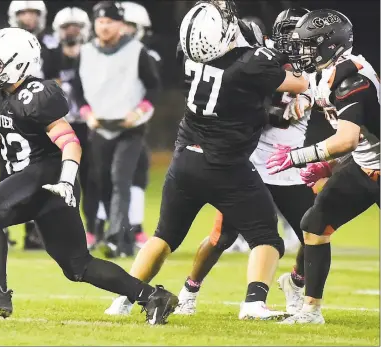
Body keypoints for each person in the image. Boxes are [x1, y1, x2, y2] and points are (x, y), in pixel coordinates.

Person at [0, 27, 178, 325]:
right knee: (77, 266)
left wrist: (67, 179)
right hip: (30, 181)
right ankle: (153, 297)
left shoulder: (37, 95)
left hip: (48, 175)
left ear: (18, 63)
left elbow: (70, 141)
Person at [104, 0, 309, 319]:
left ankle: (124, 300)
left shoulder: (191, 57)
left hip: (186, 158)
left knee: (164, 237)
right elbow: (300, 83)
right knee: (267, 237)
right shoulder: (250, 61)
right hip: (227, 165)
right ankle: (254, 303)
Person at [172, 7, 317, 316]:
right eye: (293, 34)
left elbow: (316, 91)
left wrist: (310, 96)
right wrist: (290, 104)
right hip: (250, 163)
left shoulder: (313, 66)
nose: (299, 41)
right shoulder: (258, 61)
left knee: (315, 230)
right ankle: (189, 290)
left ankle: (295, 282)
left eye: (303, 35)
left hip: (289, 165)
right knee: (221, 237)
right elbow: (250, 105)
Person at [267, 9, 379, 324]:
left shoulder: (351, 77)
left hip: (370, 164)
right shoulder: (329, 72)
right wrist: (328, 167)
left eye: (309, 44)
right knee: (314, 224)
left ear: (330, 44)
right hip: (364, 166)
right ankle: (310, 310)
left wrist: (297, 156)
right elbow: (360, 137)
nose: (303, 52)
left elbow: (347, 139)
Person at [75, 1, 161, 258]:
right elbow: (78, 90)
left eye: (109, 21)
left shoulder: (137, 51)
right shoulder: (86, 51)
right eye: (100, 21)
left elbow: (153, 87)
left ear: (121, 25)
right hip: (99, 127)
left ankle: (117, 239)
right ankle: (119, 235)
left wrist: (138, 112)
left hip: (129, 128)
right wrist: (86, 113)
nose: (104, 26)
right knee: (101, 183)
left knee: (120, 178)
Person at [7, 0, 60, 249]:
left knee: (42, 173)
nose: (28, 17)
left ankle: (37, 231)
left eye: (33, 13)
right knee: (11, 171)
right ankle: (4, 223)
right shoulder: (3, 42)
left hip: (39, 116)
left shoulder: (50, 44)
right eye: (23, 12)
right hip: (10, 114)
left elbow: (56, 82)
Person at [51, 6, 95, 246]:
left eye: (75, 27)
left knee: (91, 179)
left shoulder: (92, 54)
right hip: (61, 126)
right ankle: (62, 229)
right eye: (66, 27)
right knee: (62, 178)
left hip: (88, 125)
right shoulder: (50, 56)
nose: (71, 31)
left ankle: (93, 228)